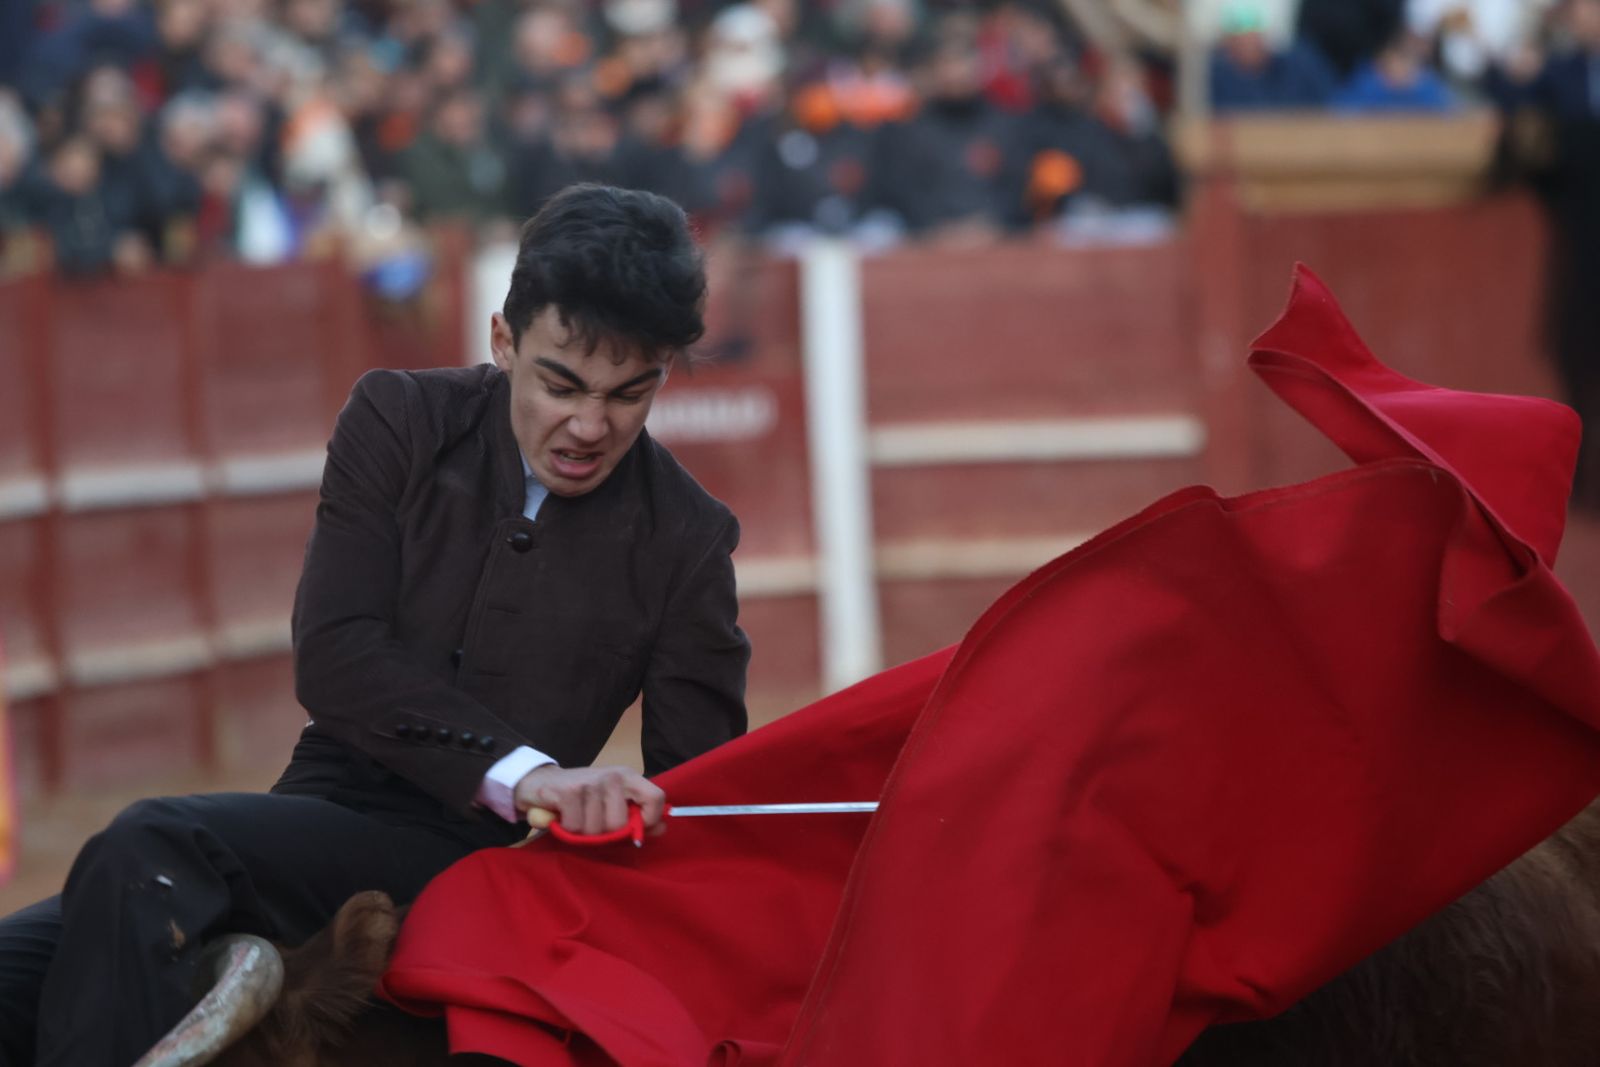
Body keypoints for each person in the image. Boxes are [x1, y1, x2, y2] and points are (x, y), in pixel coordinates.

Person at [0, 182, 750, 1067]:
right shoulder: (399, 416)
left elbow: (706, 791)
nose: (589, 425)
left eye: (631, 393)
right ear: (504, 339)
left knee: (149, 841)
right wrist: (534, 775)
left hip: (473, 863)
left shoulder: (689, 536)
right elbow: (335, 652)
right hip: (308, 821)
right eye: (561, 383)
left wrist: (623, 807)